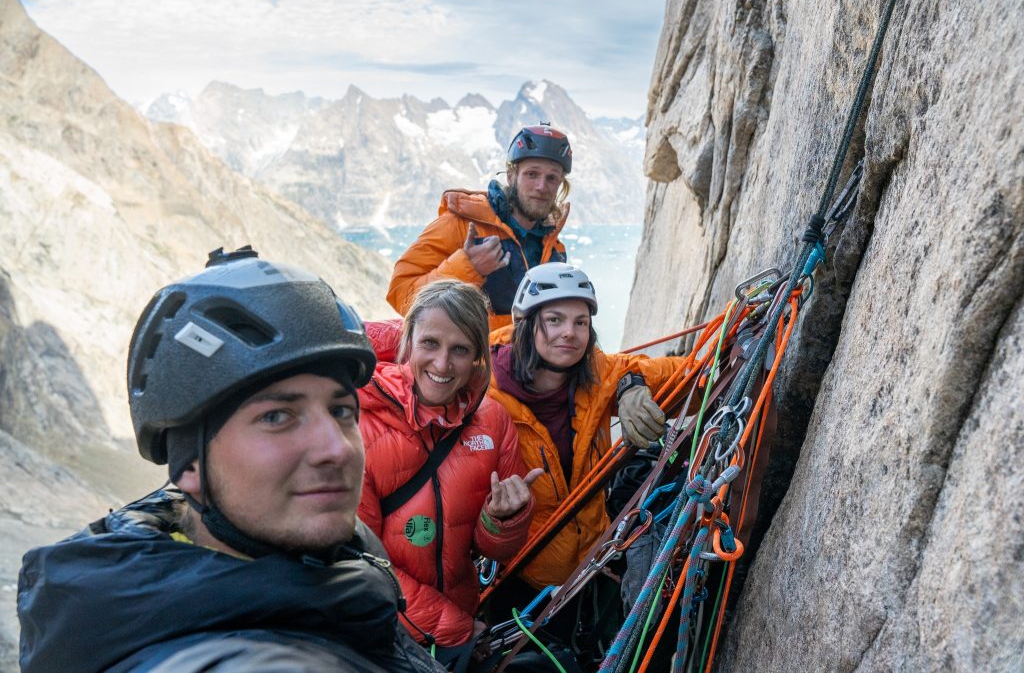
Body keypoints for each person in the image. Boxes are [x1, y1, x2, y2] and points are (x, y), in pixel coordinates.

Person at [17, 246, 445, 673]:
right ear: (190, 464)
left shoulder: (333, 565)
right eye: (277, 416)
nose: (336, 448)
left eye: (341, 411)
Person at [357, 280, 543, 665]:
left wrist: (504, 521)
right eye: (430, 344)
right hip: (384, 634)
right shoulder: (361, 427)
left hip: (458, 627)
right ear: (408, 341)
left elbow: (493, 551)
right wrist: (453, 629)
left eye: (460, 349)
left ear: (478, 356)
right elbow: (360, 563)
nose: (442, 365)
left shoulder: (492, 422)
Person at [488, 263, 685, 592]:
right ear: (525, 324)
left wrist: (631, 385)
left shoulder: (599, 373)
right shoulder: (485, 393)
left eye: (581, 322)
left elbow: (687, 376)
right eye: (554, 320)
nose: (570, 332)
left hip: (593, 562)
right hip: (521, 580)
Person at [387, 124, 573, 329]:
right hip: (473, 360)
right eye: (532, 174)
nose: (541, 186)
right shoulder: (461, 225)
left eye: (552, 178)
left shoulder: (554, 250)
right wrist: (467, 268)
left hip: (526, 361)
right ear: (511, 176)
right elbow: (400, 294)